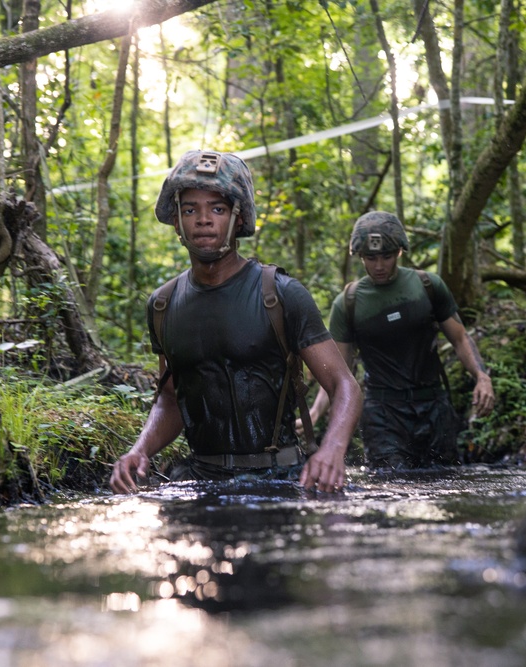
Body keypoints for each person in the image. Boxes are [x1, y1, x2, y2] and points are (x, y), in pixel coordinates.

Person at [109, 150, 361, 494]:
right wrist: (139, 450)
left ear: (238, 218)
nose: (203, 219)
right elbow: (171, 400)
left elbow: (345, 386)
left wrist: (333, 448)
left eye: (217, 208)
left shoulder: (281, 294)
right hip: (200, 482)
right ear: (177, 221)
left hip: (280, 480)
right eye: (189, 209)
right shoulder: (163, 305)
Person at [306, 211, 494, 469]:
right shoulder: (348, 303)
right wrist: (316, 411)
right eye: (371, 258)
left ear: (399, 253)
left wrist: (481, 377)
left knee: (446, 481)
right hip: (383, 414)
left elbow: (460, 338)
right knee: (391, 487)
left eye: (386, 256)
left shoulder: (428, 286)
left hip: (433, 407)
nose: (379, 265)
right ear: (361, 257)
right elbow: (340, 371)